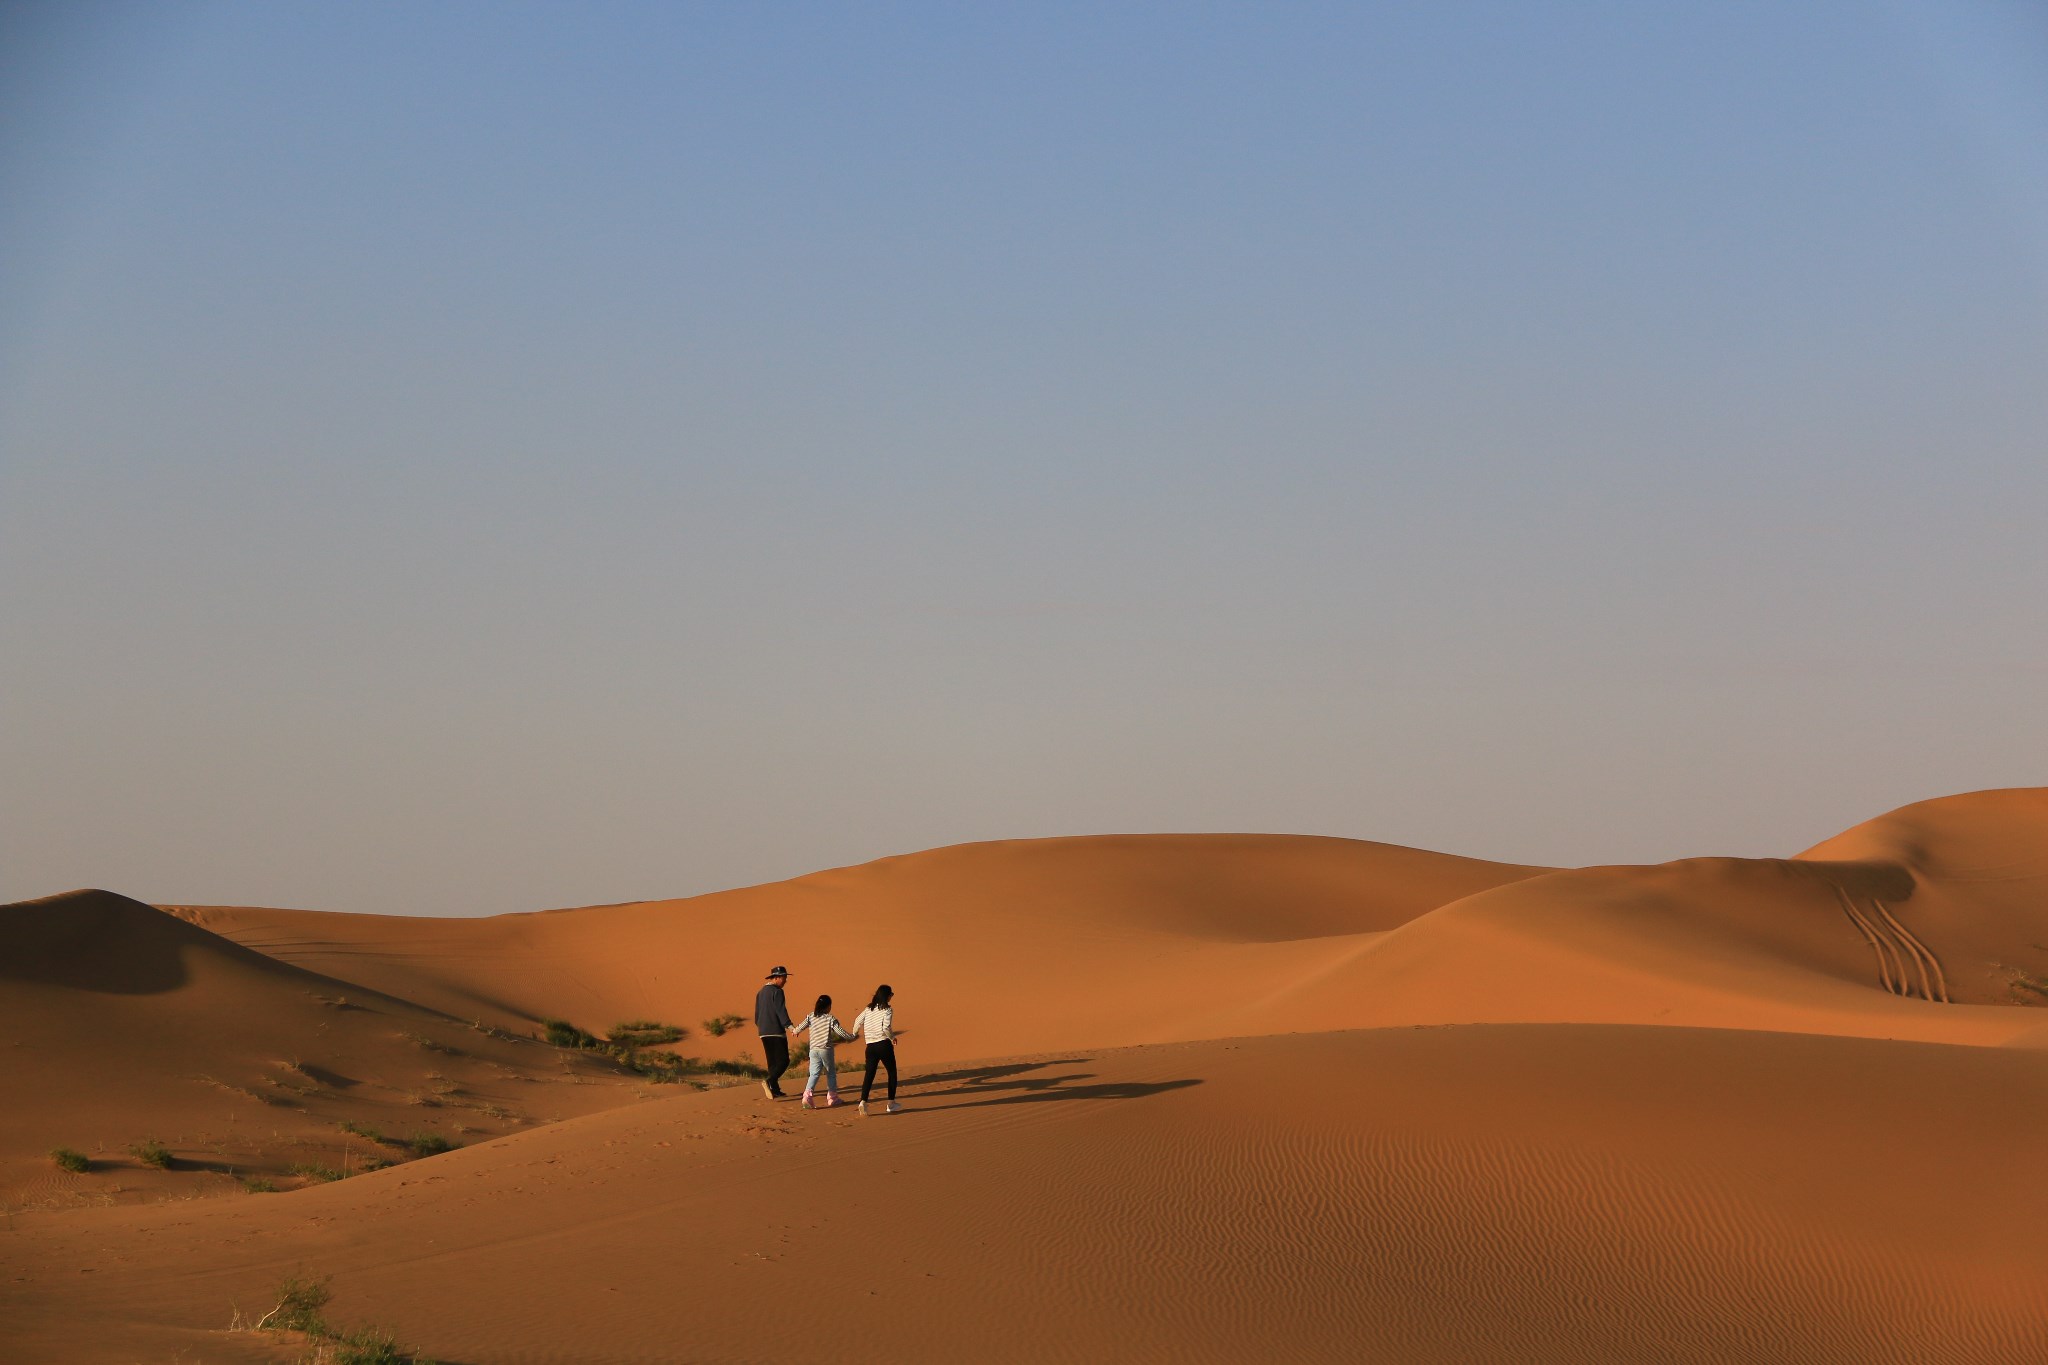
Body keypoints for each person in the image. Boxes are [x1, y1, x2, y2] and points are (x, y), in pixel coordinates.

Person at [789, 993, 854, 1109]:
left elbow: (801, 1026)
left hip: (813, 1050)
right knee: (831, 1073)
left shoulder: (811, 1016)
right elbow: (840, 1032)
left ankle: (807, 1096)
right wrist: (851, 1036)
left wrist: (795, 1031)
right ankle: (832, 1098)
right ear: (828, 1006)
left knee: (814, 1074)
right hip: (825, 1049)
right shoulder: (830, 1018)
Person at [850, 984, 903, 1116]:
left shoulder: (869, 1008)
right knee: (892, 1073)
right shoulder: (888, 1010)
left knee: (869, 1075)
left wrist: (854, 1033)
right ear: (886, 996)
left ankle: (863, 1102)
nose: (891, 997)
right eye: (891, 994)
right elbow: (886, 1028)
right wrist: (892, 1038)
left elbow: (857, 1021)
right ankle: (891, 1104)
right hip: (883, 1045)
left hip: (870, 1047)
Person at [754, 966, 794, 1099]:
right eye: (784, 978)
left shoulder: (760, 992)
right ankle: (770, 1080)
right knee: (784, 1061)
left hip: (763, 1031)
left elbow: (757, 1015)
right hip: (776, 1031)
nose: (785, 981)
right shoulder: (777, 992)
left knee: (772, 1063)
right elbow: (781, 1010)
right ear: (776, 978)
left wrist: (762, 1026)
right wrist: (790, 1026)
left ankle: (775, 1089)